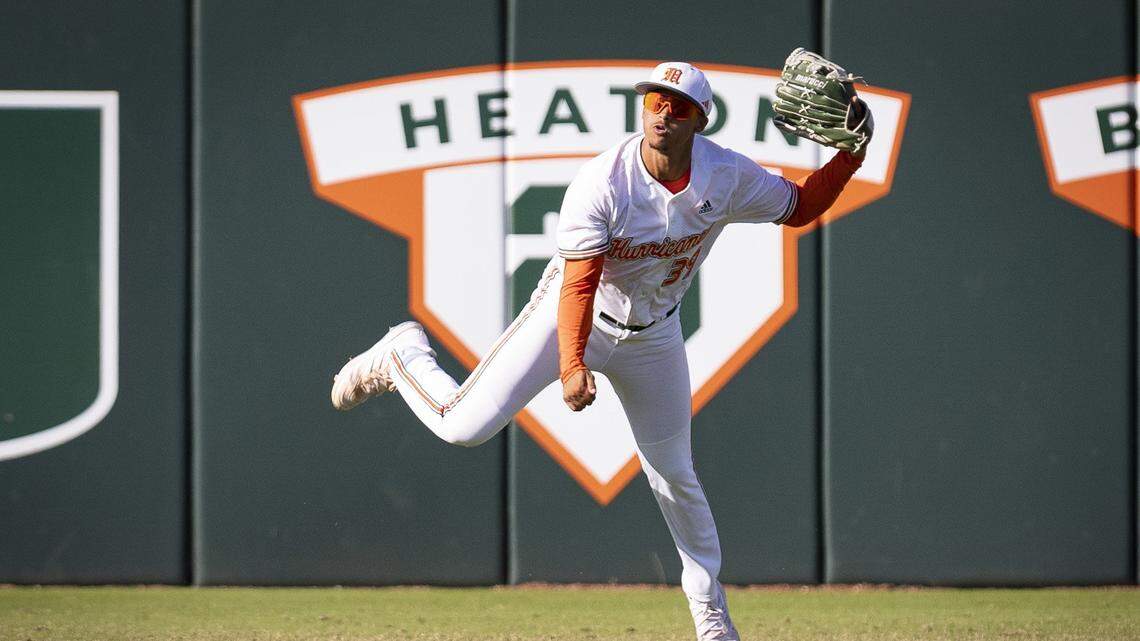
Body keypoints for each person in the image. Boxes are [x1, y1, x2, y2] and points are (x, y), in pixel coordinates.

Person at [331, 61, 870, 641]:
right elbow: (579, 284)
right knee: (464, 425)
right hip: (573, 313)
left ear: (700, 121)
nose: (663, 113)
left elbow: (801, 206)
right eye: (654, 101)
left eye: (678, 106)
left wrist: (851, 157)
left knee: (675, 476)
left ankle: (712, 620)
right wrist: (571, 365)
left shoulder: (727, 176)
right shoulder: (603, 181)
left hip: (656, 335)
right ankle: (402, 356)